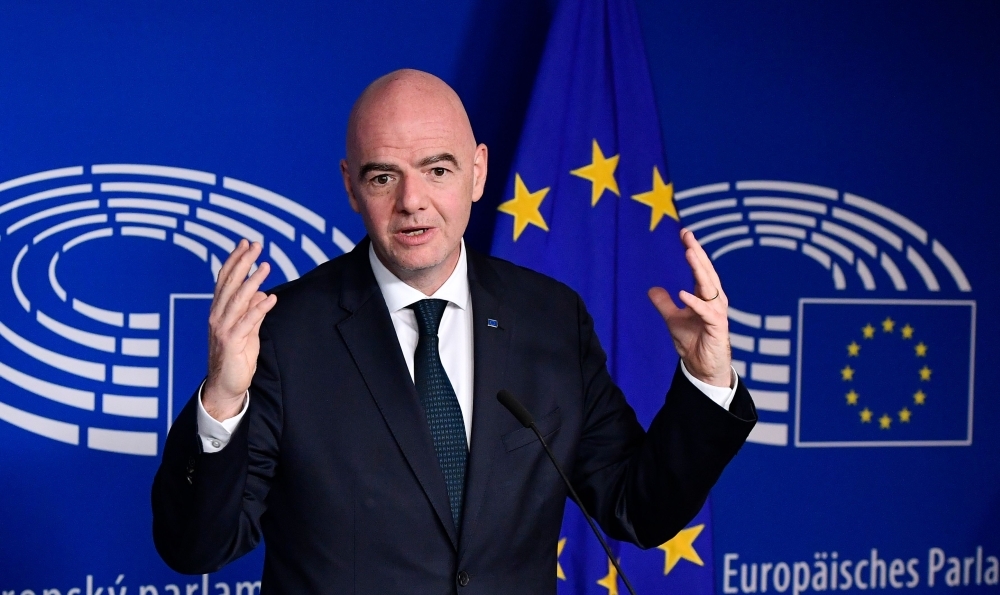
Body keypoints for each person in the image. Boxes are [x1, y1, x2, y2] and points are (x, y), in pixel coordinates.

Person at [152, 69, 757, 593]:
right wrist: (223, 398)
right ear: (350, 187)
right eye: (383, 177)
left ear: (477, 172)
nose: (412, 201)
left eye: (436, 169)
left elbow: (638, 509)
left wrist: (707, 381)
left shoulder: (550, 318)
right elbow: (197, 548)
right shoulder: (283, 332)